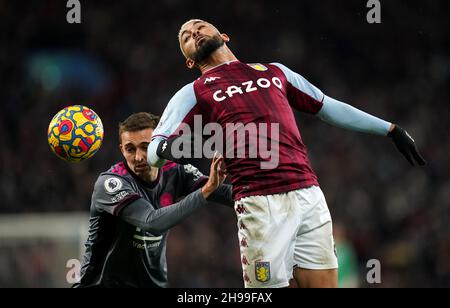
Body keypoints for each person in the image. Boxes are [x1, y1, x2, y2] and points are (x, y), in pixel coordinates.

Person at [147, 19, 426, 288]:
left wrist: (389, 129)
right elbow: (154, 150)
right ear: (189, 61)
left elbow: (327, 106)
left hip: (309, 194)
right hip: (259, 202)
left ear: (224, 36)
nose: (194, 33)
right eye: (186, 36)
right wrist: (169, 147)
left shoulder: (274, 71)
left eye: (199, 27)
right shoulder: (193, 91)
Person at [73, 112, 232, 288]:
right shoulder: (111, 184)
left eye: (145, 147)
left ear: (160, 145)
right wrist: (207, 190)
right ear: (121, 149)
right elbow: (152, 221)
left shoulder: (175, 171)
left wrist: (263, 193)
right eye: (130, 149)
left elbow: (224, 193)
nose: (138, 157)